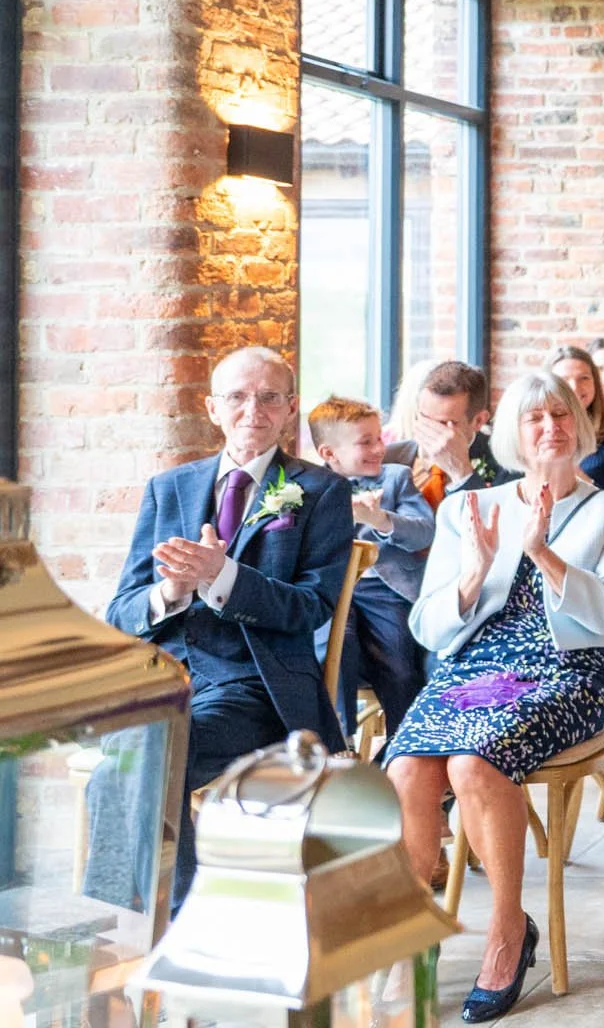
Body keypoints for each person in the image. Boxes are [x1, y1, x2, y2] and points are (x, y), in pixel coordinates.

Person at [384, 370, 604, 1023]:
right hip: (476, 666)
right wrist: (472, 576)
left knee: (473, 762)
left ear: (579, 426)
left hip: (568, 670)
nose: (550, 427)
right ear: (514, 434)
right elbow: (429, 625)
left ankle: (506, 930)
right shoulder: (468, 508)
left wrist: (542, 553)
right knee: (408, 766)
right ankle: (407, 939)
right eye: (535, 419)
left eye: (560, 415)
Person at [106, 347, 353, 902]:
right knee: (121, 760)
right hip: (166, 678)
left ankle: (167, 924)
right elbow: (121, 612)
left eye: (269, 397)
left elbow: (311, 607)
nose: (252, 411)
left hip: (252, 686)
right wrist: (170, 591)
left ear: (291, 408)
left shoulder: (320, 492)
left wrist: (224, 577)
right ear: (212, 408)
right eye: (237, 397)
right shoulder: (168, 488)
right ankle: (145, 921)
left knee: (150, 755)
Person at [305, 395, 435, 741]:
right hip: (332, 588)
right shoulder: (308, 488)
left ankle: (405, 746)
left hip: (385, 587)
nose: (379, 448)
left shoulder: (396, 478)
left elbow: (425, 530)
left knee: (399, 663)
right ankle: (339, 740)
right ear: (329, 454)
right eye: (366, 442)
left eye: (380, 438)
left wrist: (379, 519)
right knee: (334, 646)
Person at [385, 359, 511, 503]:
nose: (430, 429)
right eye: (424, 417)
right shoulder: (388, 457)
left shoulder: (505, 465)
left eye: (443, 423)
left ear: (479, 421)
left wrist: (462, 472)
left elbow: (496, 521)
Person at [549, 345, 604, 491]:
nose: (574, 387)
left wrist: (579, 477)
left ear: (595, 383)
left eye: (584, 378)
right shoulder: (531, 434)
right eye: (563, 380)